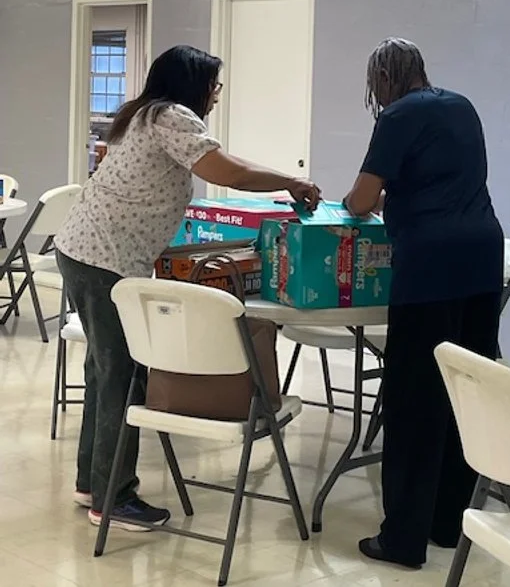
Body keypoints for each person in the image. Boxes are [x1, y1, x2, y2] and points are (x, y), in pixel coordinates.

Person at [55, 45, 321, 532]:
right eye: (214, 85)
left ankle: (92, 482)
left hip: (85, 250)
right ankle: (112, 497)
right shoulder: (170, 117)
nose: (217, 94)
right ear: (191, 85)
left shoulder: (143, 113)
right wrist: (292, 183)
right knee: (122, 374)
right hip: (104, 257)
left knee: (104, 369)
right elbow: (231, 172)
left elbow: (219, 162)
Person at [344, 38, 503, 570]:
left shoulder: (396, 117)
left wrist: (352, 201)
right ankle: (448, 522)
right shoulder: (461, 106)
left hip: (430, 267)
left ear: (383, 79)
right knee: (464, 392)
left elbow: (363, 200)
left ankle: (402, 540)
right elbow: (445, 182)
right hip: (483, 258)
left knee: (414, 401)